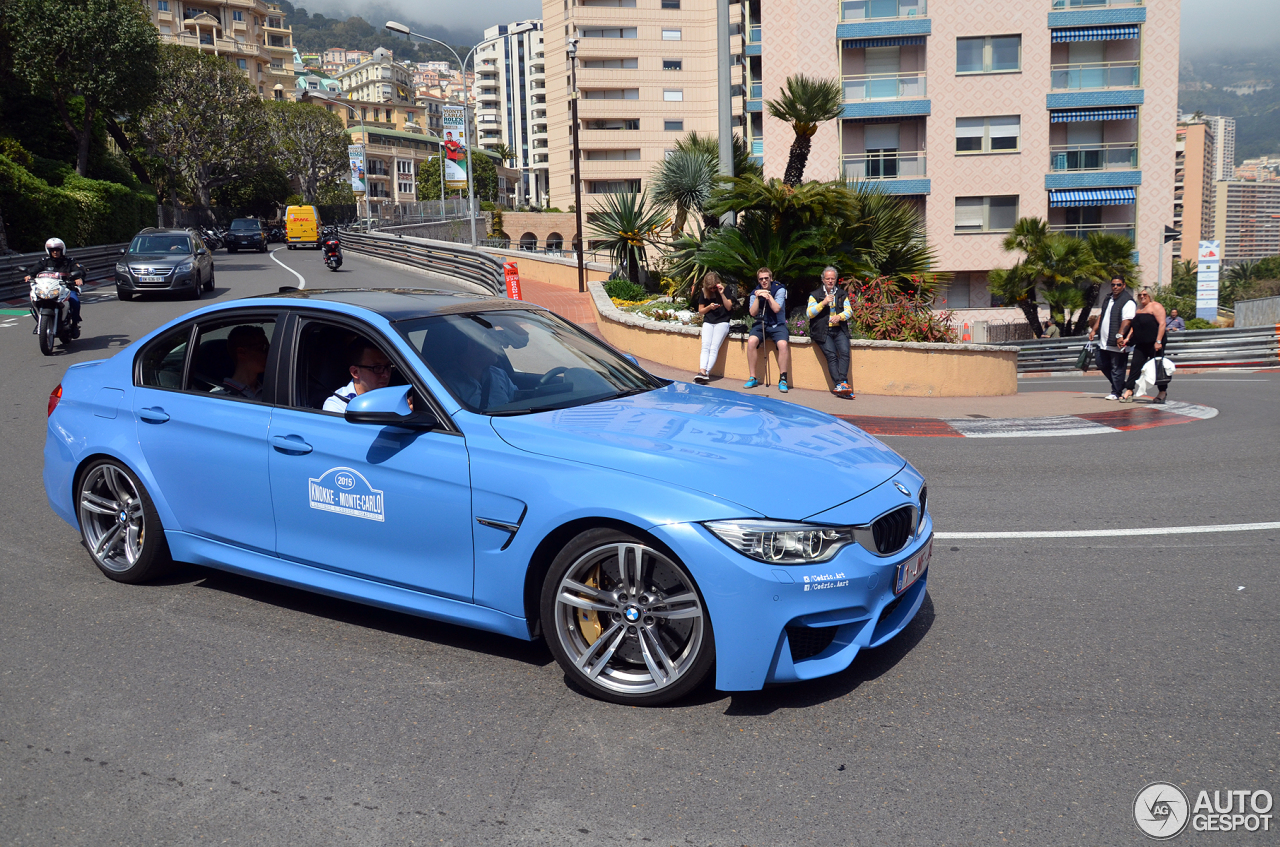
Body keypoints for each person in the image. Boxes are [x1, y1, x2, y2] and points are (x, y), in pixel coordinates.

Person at [807, 266, 854, 398]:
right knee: (832, 356)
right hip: (823, 331)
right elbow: (809, 313)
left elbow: (849, 311)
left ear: (836, 280)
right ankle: (840, 385)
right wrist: (823, 303)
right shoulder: (814, 295)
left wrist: (840, 317)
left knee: (845, 352)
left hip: (839, 329)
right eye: (827, 279)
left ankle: (843, 383)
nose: (830, 281)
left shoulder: (841, 294)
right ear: (823, 280)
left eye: (832, 279)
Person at [742, 267, 790, 393]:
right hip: (761, 323)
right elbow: (752, 313)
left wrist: (768, 297)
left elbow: (776, 309)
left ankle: (783, 379)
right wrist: (758, 298)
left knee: (783, 344)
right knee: (751, 341)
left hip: (777, 324)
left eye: (766, 278)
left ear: (771, 278)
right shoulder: (755, 292)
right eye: (761, 279)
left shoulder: (779, 289)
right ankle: (753, 377)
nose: (764, 281)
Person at [1087, 278, 1135, 400]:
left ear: (1123, 285)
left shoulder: (1127, 301)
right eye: (1113, 284)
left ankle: (1116, 392)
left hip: (1117, 342)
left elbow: (1127, 321)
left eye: (1118, 285)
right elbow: (1102, 315)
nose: (1115, 287)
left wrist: (1120, 335)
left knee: (1117, 367)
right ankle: (1120, 384)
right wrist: (1094, 330)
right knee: (1100, 363)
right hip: (1103, 341)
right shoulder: (1108, 298)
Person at [1120, 288, 1170, 404]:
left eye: (1145, 294)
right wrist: (1127, 338)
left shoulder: (1156, 306)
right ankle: (1129, 390)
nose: (1142, 296)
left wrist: (1158, 341)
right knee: (1135, 366)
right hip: (1140, 343)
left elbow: (1162, 324)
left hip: (1154, 343)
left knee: (1158, 368)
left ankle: (1162, 392)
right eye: (1140, 295)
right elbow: (1134, 326)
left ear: (1150, 295)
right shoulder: (1138, 308)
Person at [445, 334, 517, 411]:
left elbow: (517, 402)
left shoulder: (499, 374)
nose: (499, 347)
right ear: (473, 345)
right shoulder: (448, 385)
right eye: (494, 342)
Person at [24, 237, 84, 330]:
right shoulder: (44, 262)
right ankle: (40, 321)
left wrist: (79, 278)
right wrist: (29, 275)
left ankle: (74, 323)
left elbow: (79, 270)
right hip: (48, 289)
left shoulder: (70, 262)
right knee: (35, 300)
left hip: (66, 288)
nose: (55, 252)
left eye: (57, 250)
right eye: (52, 250)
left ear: (62, 250)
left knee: (75, 301)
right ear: (49, 251)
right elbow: (35, 269)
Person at [324, 338, 396, 413]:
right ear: (355, 372)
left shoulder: (397, 396)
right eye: (377, 368)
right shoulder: (338, 405)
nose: (386, 375)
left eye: (388, 366)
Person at [693, 271, 734, 384]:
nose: (712, 290)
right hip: (709, 321)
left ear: (718, 283)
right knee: (705, 346)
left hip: (722, 322)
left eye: (713, 288)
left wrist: (721, 293)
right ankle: (702, 371)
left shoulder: (725, 289)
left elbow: (729, 307)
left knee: (714, 347)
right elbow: (701, 311)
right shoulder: (704, 292)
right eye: (710, 288)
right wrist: (709, 308)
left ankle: (705, 372)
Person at [220, 325, 270, 400]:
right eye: (264, 348)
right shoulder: (220, 396)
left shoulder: (271, 391)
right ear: (241, 352)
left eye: (270, 348)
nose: (269, 353)